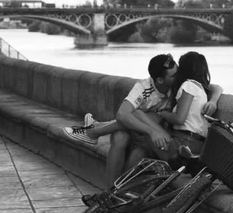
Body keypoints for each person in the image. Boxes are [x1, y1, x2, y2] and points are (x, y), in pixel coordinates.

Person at [63, 53, 222, 182]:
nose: (178, 76)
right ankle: (109, 189)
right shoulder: (143, 87)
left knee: (140, 148)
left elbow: (211, 86)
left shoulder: (180, 84)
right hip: (135, 129)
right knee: (120, 138)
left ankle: (118, 191)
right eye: (174, 75)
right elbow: (122, 115)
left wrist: (214, 101)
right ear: (160, 80)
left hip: (157, 136)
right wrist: (150, 131)